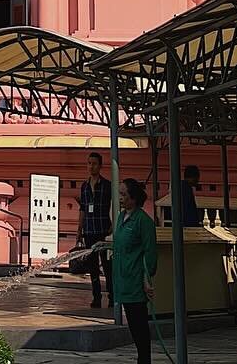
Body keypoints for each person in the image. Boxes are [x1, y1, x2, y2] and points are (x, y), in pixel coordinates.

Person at [113, 178, 158, 364]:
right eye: (120, 194)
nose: (120, 198)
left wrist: (147, 279)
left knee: (139, 324)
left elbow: (150, 252)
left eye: (124, 194)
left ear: (134, 198)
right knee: (132, 323)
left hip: (135, 280)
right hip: (122, 278)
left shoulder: (143, 221)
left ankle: (144, 360)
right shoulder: (121, 217)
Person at [77, 151, 113, 309]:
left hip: (104, 230)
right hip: (89, 230)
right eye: (89, 163)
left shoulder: (107, 185)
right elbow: (83, 209)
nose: (91, 166)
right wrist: (79, 230)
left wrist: (113, 226)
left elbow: (114, 206)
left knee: (107, 266)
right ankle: (96, 296)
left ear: (100, 166)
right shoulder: (84, 186)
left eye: (94, 163)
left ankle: (112, 296)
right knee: (92, 267)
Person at [179, 163, 202, 227]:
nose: (198, 180)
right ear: (194, 177)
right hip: (188, 225)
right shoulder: (186, 189)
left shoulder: (183, 186)